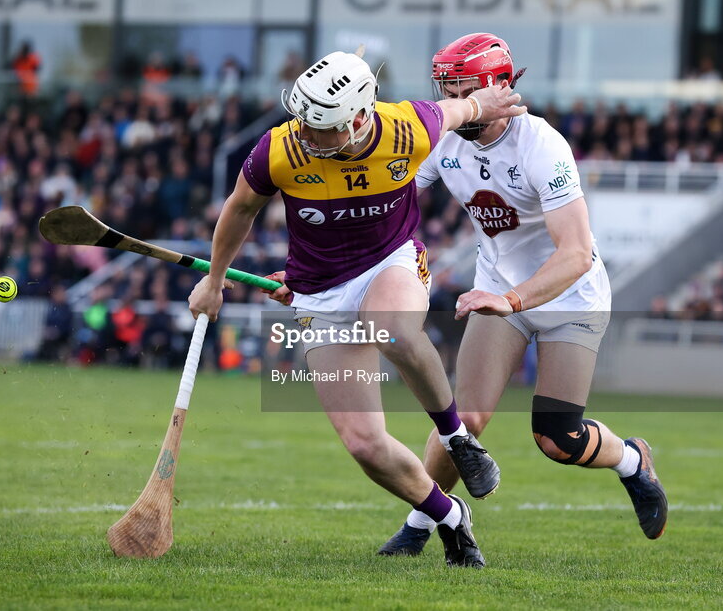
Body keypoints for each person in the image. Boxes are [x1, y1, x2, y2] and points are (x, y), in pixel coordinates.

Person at [189, 47, 525, 568]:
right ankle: (449, 517)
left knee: (391, 328)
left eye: (319, 128)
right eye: (301, 121)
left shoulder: (409, 128)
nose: (304, 135)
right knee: (366, 445)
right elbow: (240, 209)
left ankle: (456, 437)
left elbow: (465, 109)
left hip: (390, 261)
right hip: (320, 292)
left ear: (360, 117)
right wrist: (213, 282)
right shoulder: (279, 150)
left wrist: (490, 100)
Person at [377, 33, 668, 560]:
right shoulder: (443, 138)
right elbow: (387, 202)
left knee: (558, 439)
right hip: (497, 288)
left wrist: (511, 300)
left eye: (460, 86)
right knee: (462, 420)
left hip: (569, 296)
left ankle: (632, 460)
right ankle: (423, 523)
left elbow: (576, 253)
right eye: (444, 85)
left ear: (498, 85)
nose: (449, 97)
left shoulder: (542, 145)